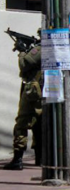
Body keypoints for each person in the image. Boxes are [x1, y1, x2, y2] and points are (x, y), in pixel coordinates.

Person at [4, 29, 42, 170]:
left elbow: (25, 64)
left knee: (22, 123)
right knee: (40, 123)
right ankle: (40, 157)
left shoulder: (40, 49)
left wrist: (21, 51)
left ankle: (18, 159)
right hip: (46, 90)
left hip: (33, 90)